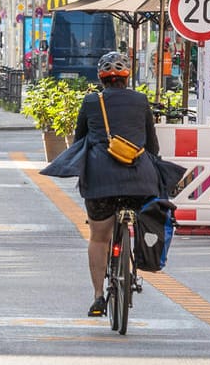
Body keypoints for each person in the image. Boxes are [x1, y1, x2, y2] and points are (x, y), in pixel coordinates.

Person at [66, 52, 161, 317]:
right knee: (142, 217)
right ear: (126, 76)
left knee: (98, 238)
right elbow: (152, 146)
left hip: (100, 181)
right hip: (139, 182)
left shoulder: (90, 101)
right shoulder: (141, 101)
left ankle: (98, 297)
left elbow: (79, 143)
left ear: (101, 78)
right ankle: (138, 253)